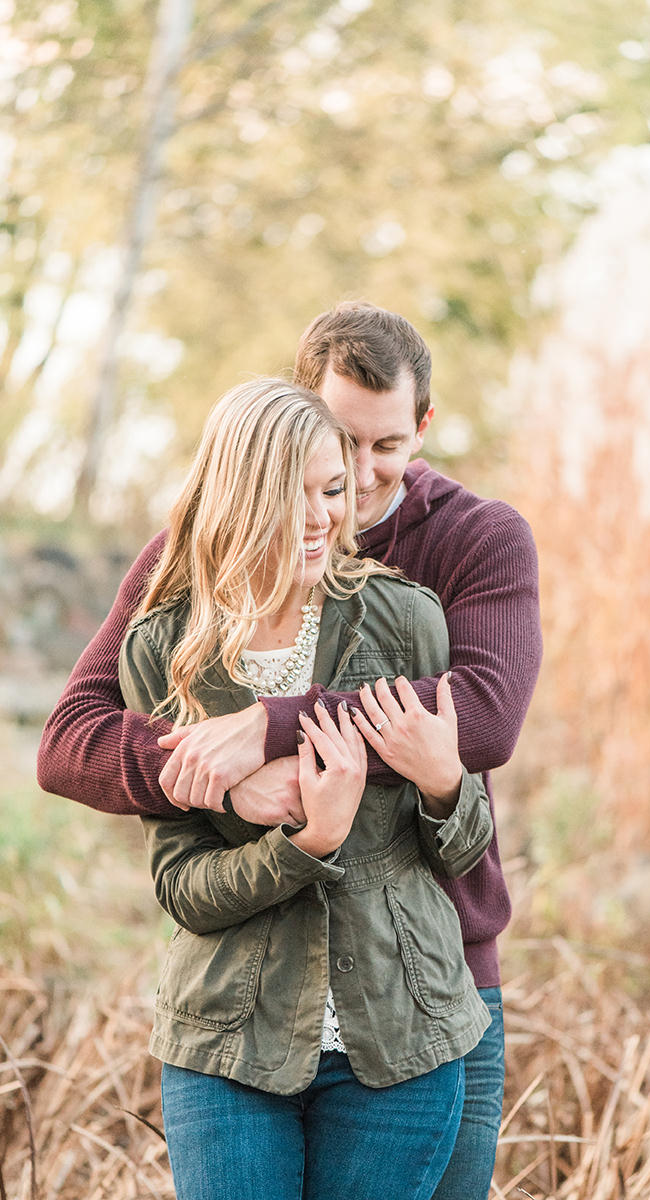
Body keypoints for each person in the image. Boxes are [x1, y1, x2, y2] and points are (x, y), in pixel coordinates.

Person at [38, 302, 543, 1199]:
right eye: (336, 445)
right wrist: (221, 781)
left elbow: (484, 721)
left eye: (385, 446)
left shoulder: (470, 543)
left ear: (422, 424)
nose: (356, 477)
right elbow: (70, 737)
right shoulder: (184, 573)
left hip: (434, 968)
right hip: (248, 987)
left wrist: (271, 727)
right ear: (292, 415)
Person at [118, 377, 494, 1199]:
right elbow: (182, 887)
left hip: (400, 1035)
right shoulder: (162, 648)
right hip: (228, 1043)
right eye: (296, 495)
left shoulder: (404, 622)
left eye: (333, 491)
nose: (325, 516)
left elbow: (463, 850)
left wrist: (441, 785)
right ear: (239, 495)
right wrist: (305, 846)